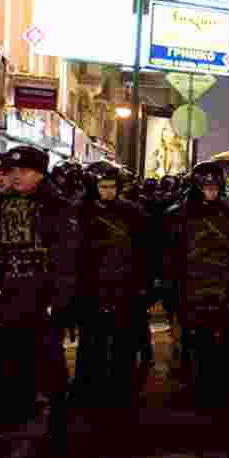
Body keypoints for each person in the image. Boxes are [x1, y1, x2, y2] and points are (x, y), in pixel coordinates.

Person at [0, 146, 79, 448]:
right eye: (12, 170)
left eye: (23, 171)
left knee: (49, 362)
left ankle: (58, 421)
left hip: (41, 298)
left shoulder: (57, 207)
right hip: (6, 296)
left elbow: (66, 259)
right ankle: (13, 414)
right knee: (9, 358)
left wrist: (58, 301)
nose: (15, 175)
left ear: (40, 173)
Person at [162, 161, 229, 406]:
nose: (211, 191)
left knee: (222, 341)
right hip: (192, 290)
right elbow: (170, 257)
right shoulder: (178, 215)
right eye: (206, 186)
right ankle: (196, 387)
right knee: (195, 342)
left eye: (215, 186)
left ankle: (216, 389)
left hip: (223, 289)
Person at [73, 162, 149, 409]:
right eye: (103, 187)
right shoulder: (79, 211)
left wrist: (140, 284)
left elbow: (143, 251)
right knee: (91, 342)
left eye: (112, 187)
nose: (108, 192)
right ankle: (89, 387)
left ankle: (121, 388)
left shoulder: (132, 212)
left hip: (123, 287)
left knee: (122, 343)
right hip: (91, 287)